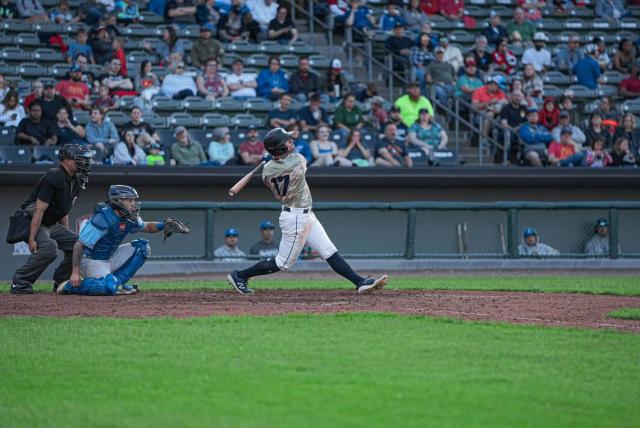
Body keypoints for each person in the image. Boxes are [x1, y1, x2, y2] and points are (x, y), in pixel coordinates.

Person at [226, 128, 388, 294]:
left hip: (304, 214)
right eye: (287, 142)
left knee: (329, 251)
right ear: (281, 149)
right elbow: (300, 159)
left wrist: (272, 158)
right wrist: (277, 156)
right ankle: (240, 275)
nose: (292, 142)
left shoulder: (267, 171)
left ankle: (360, 282)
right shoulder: (297, 161)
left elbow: (280, 162)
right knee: (283, 263)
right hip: (295, 218)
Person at [58, 186, 189, 295]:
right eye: (129, 200)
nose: (133, 203)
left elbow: (147, 226)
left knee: (143, 247)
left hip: (109, 258)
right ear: (118, 201)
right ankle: (70, 286)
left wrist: (164, 224)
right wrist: (75, 272)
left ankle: (117, 284)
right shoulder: (102, 218)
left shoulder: (130, 217)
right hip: (91, 261)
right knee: (108, 288)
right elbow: (78, 245)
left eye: (134, 200)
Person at [9, 144, 93, 294]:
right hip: (32, 221)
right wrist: (31, 239)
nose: (84, 163)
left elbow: (63, 211)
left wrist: (66, 235)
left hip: (51, 224)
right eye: (79, 160)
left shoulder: (75, 180)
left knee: (78, 245)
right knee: (49, 249)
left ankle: (61, 281)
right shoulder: (54, 176)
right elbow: (39, 210)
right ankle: (19, 282)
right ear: (66, 160)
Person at [498, 91, 527, 163]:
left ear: (522, 98)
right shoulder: (506, 108)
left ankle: (524, 159)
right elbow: (503, 123)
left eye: (518, 96)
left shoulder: (523, 108)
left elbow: (526, 122)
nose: (517, 97)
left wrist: (520, 128)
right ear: (511, 97)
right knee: (510, 134)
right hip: (507, 130)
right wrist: (513, 129)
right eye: (515, 95)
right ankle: (507, 158)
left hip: (520, 129)